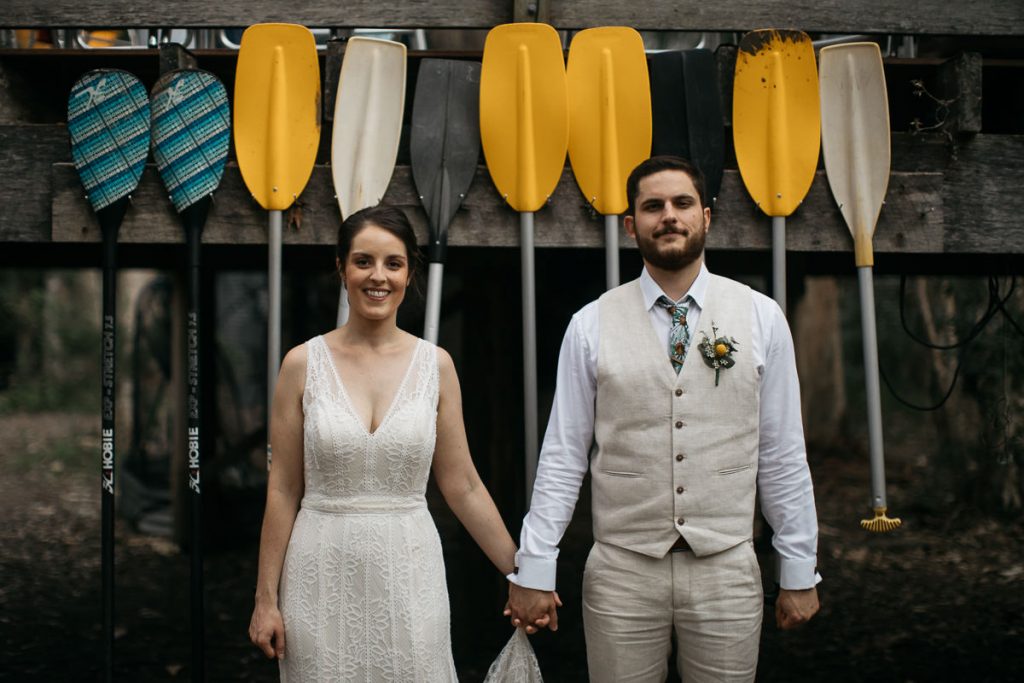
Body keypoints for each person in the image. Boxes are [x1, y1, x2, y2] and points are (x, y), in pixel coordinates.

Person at [506, 156, 821, 681]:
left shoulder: (761, 317)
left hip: (726, 568)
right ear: (632, 225)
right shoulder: (590, 325)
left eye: (682, 204)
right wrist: (535, 566)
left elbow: (783, 453)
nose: (668, 216)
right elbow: (563, 455)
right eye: (653, 206)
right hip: (621, 571)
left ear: (707, 217)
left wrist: (799, 567)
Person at [248, 205, 537, 681]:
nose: (377, 276)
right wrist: (265, 600)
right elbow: (282, 490)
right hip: (319, 573)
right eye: (363, 261)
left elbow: (463, 484)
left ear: (409, 273)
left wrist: (522, 573)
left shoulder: (436, 366)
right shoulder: (302, 365)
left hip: (410, 570)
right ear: (341, 267)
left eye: (393, 263)